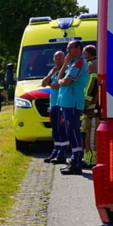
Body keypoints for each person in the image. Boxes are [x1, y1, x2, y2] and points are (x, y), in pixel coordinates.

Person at [52, 40, 90, 175]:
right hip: (66, 101)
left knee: (74, 133)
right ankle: (74, 160)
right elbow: (60, 79)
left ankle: (76, 162)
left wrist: (62, 82)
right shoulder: (73, 62)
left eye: (70, 48)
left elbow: (65, 81)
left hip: (72, 102)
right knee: (70, 132)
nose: (68, 51)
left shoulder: (80, 62)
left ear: (78, 48)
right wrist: (65, 65)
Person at [42, 50, 67, 163]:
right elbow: (43, 83)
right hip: (53, 105)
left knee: (62, 130)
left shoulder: (66, 70)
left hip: (62, 104)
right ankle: (56, 151)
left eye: (60, 58)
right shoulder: (53, 71)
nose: (58, 61)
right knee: (55, 130)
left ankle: (62, 153)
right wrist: (51, 74)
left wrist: (48, 83)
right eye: (56, 59)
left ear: (64, 58)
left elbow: (57, 86)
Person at [82, 45, 99, 167]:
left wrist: (85, 103)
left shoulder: (91, 65)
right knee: (90, 134)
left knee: (91, 137)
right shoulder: (100, 62)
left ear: (87, 54)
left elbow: (91, 85)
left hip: (92, 108)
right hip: (95, 106)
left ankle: (91, 160)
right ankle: (89, 159)